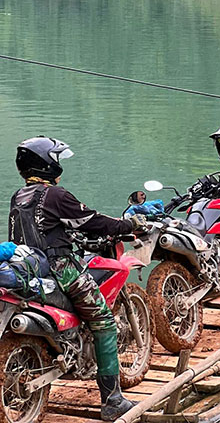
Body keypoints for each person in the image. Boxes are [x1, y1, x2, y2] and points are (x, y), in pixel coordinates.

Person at [8, 136, 146, 421]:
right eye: (56, 159)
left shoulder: (18, 197)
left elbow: (40, 231)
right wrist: (128, 224)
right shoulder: (56, 195)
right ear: (47, 163)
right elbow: (93, 221)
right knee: (105, 323)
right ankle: (112, 401)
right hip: (62, 270)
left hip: (30, 267)